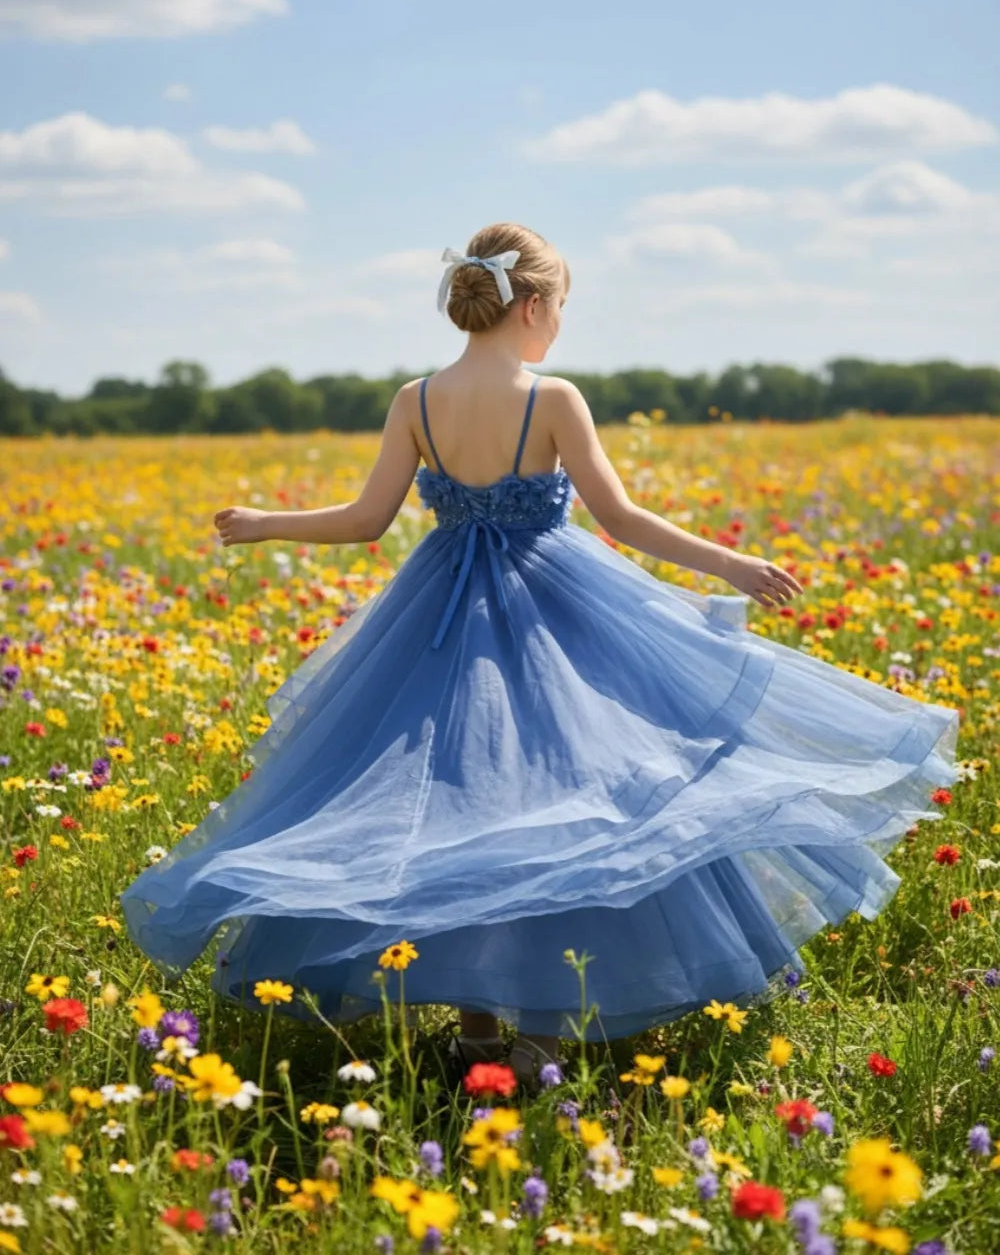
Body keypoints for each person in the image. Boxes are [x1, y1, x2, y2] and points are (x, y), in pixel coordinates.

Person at [119, 221, 960, 1089]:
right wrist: (730, 562)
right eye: (561, 306)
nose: (560, 322)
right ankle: (539, 1036)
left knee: (457, 807)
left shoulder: (416, 398)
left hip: (434, 616)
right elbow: (622, 519)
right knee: (562, 800)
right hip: (551, 605)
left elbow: (366, 521)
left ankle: (478, 1030)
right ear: (533, 305)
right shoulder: (552, 398)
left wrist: (267, 524)